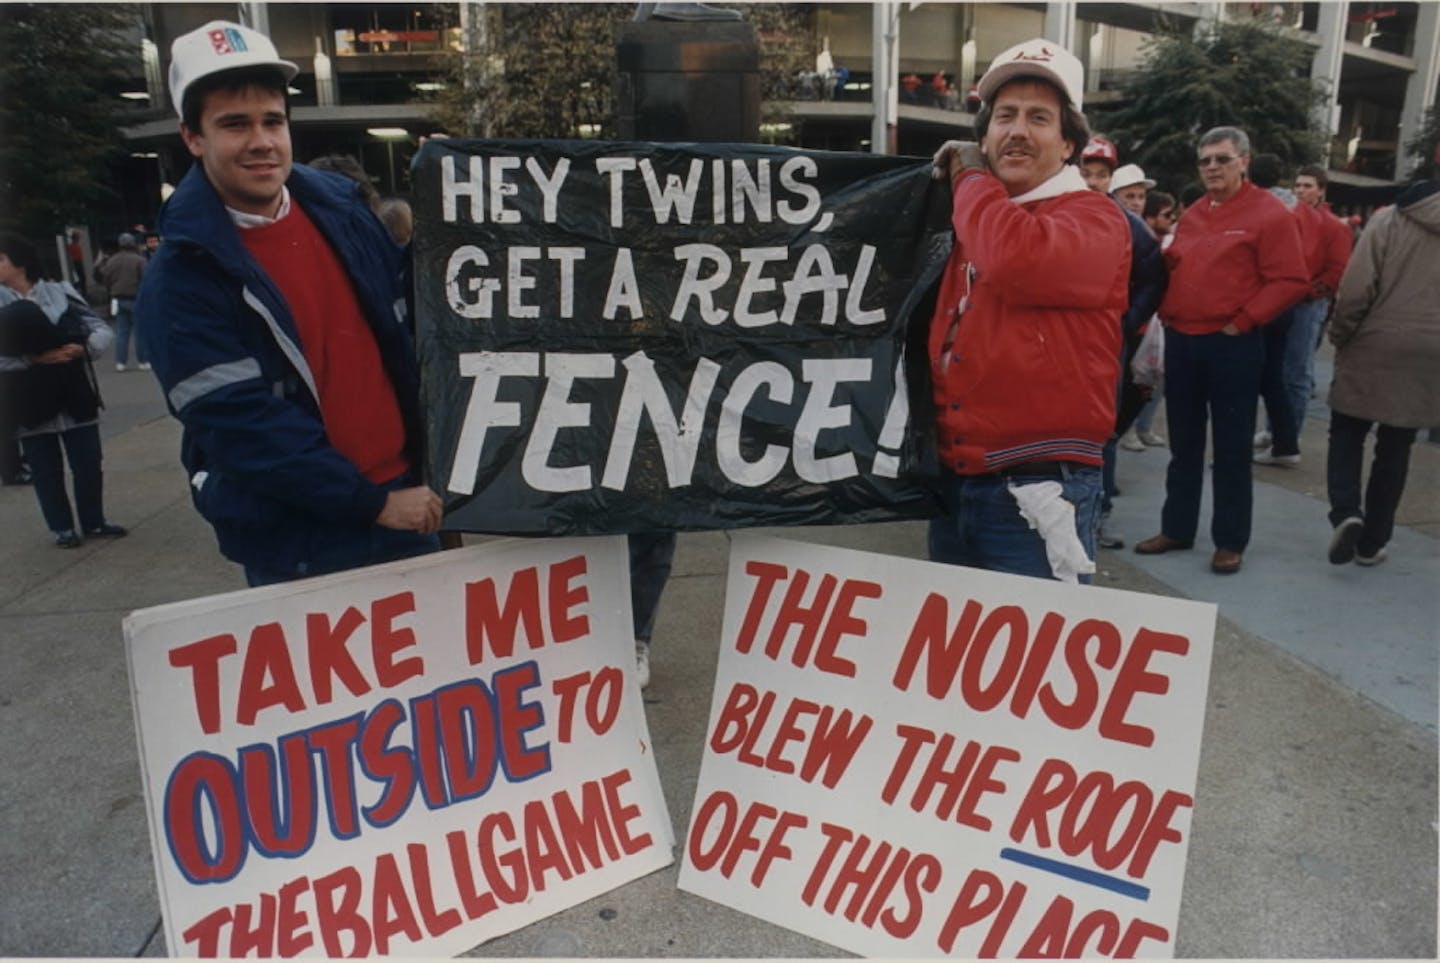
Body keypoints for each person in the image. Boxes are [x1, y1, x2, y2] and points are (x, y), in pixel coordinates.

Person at [135, 20, 441, 586]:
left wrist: (450, 210)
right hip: (304, 538)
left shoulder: (343, 212)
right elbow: (242, 428)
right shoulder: (181, 275)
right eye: (234, 124)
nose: (261, 141)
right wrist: (370, 503)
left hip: (409, 503)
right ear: (192, 137)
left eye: (272, 121)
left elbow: (421, 312)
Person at [926, 38, 1131, 583]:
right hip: (956, 481)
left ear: (1068, 146)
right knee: (953, 659)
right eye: (1004, 116)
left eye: (1039, 118)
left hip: (1040, 488)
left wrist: (970, 178)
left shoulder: (1096, 217)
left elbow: (1016, 259)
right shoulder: (977, 216)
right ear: (985, 136)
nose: (1017, 130)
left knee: (1037, 669)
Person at [1134, 127, 1308, 574]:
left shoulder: (1269, 214)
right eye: (1205, 160)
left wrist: (1243, 321)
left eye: (1222, 159)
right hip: (1183, 340)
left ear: (1244, 161)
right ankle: (1177, 528)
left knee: (1231, 448)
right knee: (1184, 444)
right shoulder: (1193, 212)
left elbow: (1290, 279)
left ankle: (1230, 540)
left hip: (1232, 345)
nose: (1212, 167)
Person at [1324, 177, 1439, 567]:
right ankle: (1373, 542)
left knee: (1346, 431)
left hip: (1374, 339)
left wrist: (1340, 334)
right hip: (1429, 353)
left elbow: (1357, 288)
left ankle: (1346, 512)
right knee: (1396, 446)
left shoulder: (1388, 220)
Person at [0, 233, 127, 548]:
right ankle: (62, 528)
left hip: (73, 390)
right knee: (45, 469)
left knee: (87, 462)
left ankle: (94, 521)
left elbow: (99, 329)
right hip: (28, 397)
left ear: (20, 261)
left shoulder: (61, 292)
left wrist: (80, 348)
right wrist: (31, 358)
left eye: (1, 259)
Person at [1247, 152, 1311, 467]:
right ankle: (1284, 439)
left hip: (1260, 304)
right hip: (1284, 305)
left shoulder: (1258, 210)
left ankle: (1283, 441)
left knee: (1259, 377)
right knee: (1273, 376)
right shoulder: (1297, 210)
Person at [1288, 164, 1352, 430]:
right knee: (1281, 372)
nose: (1301, 191)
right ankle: (1277, 430)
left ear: (1321, 191)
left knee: (1297, 372)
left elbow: (1337, 270)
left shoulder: (1333, 226)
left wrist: (1309, 293)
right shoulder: (1288, 216)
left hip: (1308, 304)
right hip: (1284, 301)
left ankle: (1289, 434)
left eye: (1308, 186)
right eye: (1298, 185)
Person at [95, 232, 149, 372]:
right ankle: (143, 361)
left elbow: (105, 278)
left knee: (121, 332)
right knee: (140, 331)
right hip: (136, 298)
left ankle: (120, 362)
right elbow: (146, 279)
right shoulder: (139, 260)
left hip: (117, 299)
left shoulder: (112, 261)